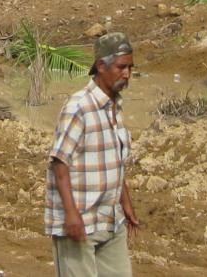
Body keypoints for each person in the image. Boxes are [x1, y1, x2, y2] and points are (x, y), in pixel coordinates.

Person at [45, 31, 139, 277]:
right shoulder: (79, 107)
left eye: (130, 67)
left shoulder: (115, 107)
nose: (127, 74)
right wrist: (71, 214)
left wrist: (125, 202)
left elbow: (113, 161)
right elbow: (59, 162)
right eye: (121, 67)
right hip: (80, 220)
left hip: (109, 219)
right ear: (101, 65)